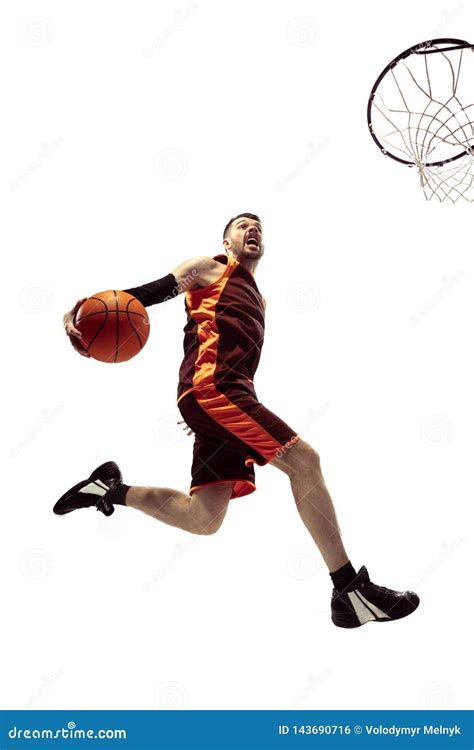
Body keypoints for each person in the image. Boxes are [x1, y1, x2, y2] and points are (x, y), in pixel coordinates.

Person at [55, 212, 420, 628]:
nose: (253, 229)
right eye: (242, 225)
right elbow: (140, 297)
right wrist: (82, 312)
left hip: (224, 399)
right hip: (215, 390)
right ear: (226, 241)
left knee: (204, 518)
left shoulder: (259, 299)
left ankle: (110, 489)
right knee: (304, 460)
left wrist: (211, 417)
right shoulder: (207, 268)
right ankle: (349, 591)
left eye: (258, 225)